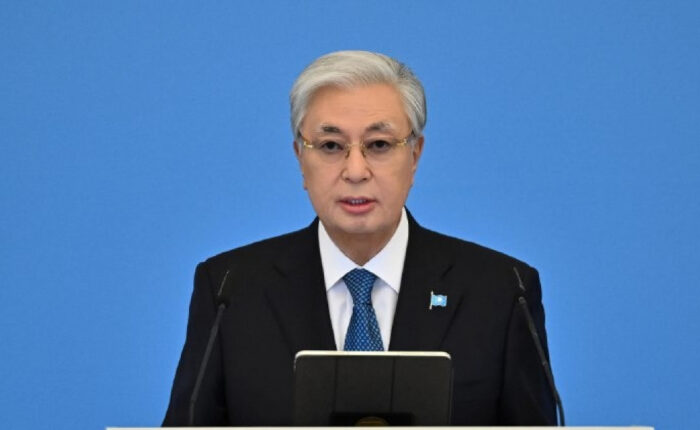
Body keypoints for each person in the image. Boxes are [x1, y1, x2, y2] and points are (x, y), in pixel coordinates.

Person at [163, 50, 557, 426]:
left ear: (415, 155)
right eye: (331, 146)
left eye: (379, 145)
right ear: (300, 157)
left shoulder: (503, 292)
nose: (355, 171)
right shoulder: (230, 289)